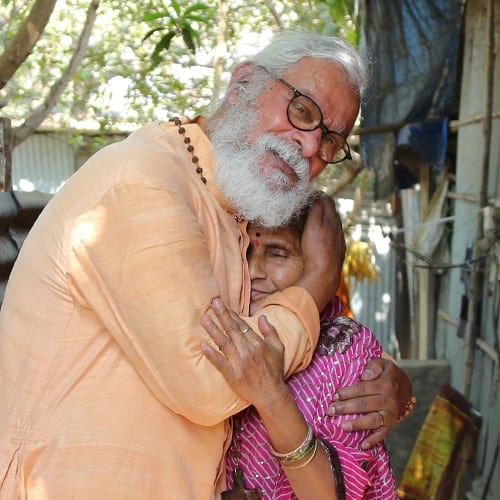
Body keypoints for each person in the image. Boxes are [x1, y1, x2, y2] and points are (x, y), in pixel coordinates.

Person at [0, 30, 410, 498]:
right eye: (301, 111)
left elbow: (318, 348)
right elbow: (212, 383)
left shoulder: (230, 211)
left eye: (331, 140)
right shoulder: (143, 185)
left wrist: (389, 380)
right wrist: (318, 280)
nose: (310, 146)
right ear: (242, 85)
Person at [201, 212, 397, 499]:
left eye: (277, 254)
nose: (253, 270)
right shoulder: (212, 328)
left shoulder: (344, 350)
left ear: (320, 266)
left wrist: (271, 396)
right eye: (244, 251)